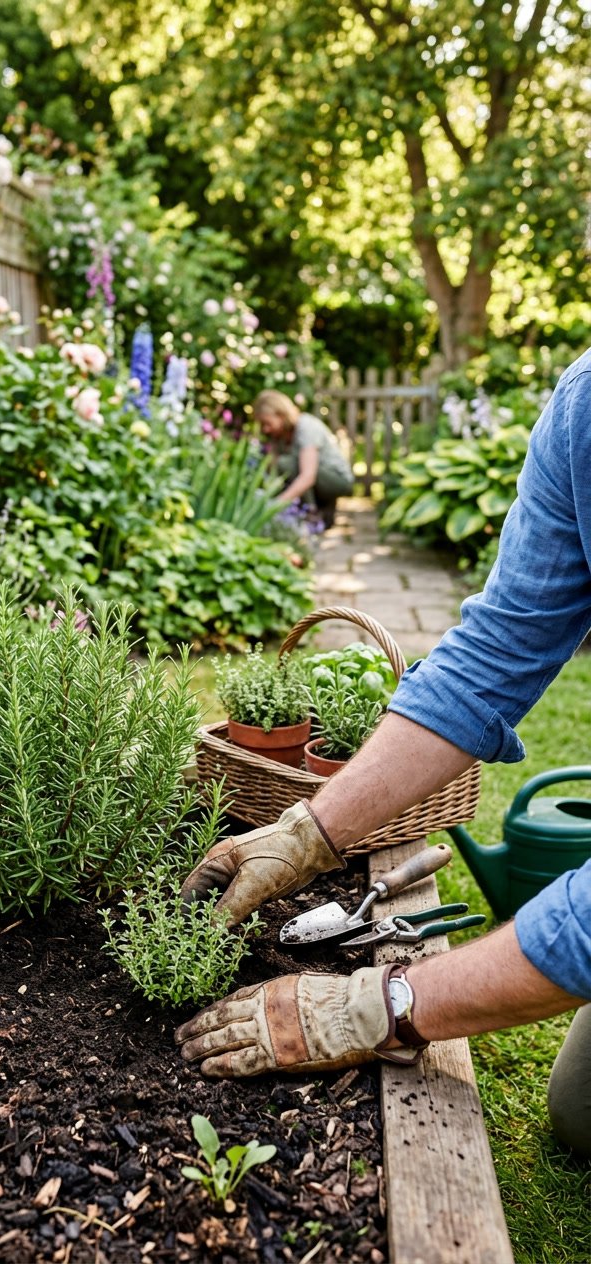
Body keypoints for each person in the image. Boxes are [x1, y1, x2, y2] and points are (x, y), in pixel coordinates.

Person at [178, 349, 591, 1157]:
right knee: (583, 1115)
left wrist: (391, 1004)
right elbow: (492, 654)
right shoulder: (585, 404)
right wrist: (308, 834)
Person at [254, 389, 354, 528]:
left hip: (338, 480)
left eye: (267, 423)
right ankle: (320, 509)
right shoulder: (281, 435)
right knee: (281, 464)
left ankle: (312, 514)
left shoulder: (306, 427)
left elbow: (308, 476)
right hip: (319, 480)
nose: (265, 429)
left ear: (281, 415)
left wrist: (276, 504)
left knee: (286, 464)